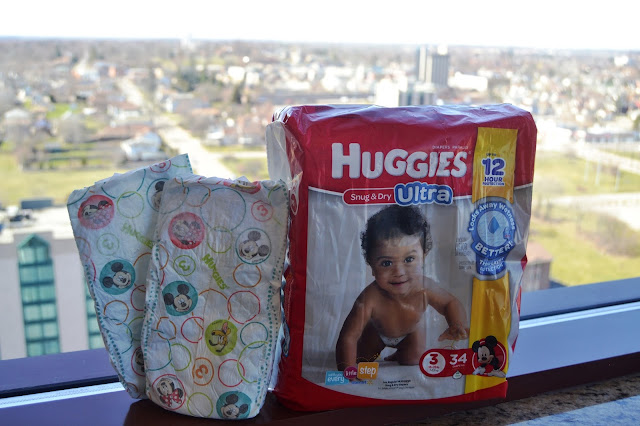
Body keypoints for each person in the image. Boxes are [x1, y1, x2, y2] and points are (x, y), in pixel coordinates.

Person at [336, 205, 468, 370]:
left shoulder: (425, 287)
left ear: (423, 257)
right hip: (376, 333)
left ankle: (401, 353)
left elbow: (450, 302)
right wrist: (347, 369)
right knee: (362, 358)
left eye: (409, 259)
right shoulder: (370, 297)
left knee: (413, 359)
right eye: (386, 263)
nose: (399, 272)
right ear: (371, 265)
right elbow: (349, 336)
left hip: (411, 334)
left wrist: (456, 324)